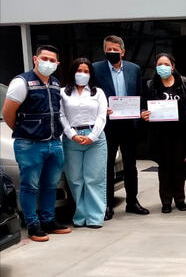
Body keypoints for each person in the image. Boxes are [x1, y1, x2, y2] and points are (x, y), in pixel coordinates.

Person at [2, 45, 71, 241]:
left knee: (50, 184)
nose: (48, 63)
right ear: (35, 59)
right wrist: (25, 130)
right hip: (30, 144)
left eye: (52, 60)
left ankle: (48, 220)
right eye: (44, 58)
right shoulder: (21, 82)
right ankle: (32, 224)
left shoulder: (56, 83)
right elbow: (8, 112)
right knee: (30, 186)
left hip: (54, 143)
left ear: (57, 63)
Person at [93, 35, 149, 219]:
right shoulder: (96, 69)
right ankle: (107, 205)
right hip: (107, 125)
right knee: (107, 165)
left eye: (115, 50)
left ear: (123, 52)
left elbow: (140, 94)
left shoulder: (134, 69)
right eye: (108, 50)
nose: (112, 53)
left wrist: (141, 111)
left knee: (130, 165)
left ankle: (132, 201)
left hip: (129, 123)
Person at [60, 58, 108, 229]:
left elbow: (102, 116)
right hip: (72, 138)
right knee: (75, 179)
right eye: (79, 70)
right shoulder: (63, 93)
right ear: (72, 72)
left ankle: (95, 218)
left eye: (86, 71)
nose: (82, 74)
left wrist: (92, 136)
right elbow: (61, 116)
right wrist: (72, 134)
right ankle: (80, 216)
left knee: (94, 178)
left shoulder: (98, 93)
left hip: (95, 138)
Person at [141, 53, 186, 213]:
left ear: (173, 66)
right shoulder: (150, 85)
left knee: (179, 166)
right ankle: (166, 201)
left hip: (180, 132)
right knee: (164, 168)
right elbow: (143, 106)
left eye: (166, 64)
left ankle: (180, 199)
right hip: (159, 133)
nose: (163, 67)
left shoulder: (183, 83)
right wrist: (144, 113)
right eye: (160, 64)